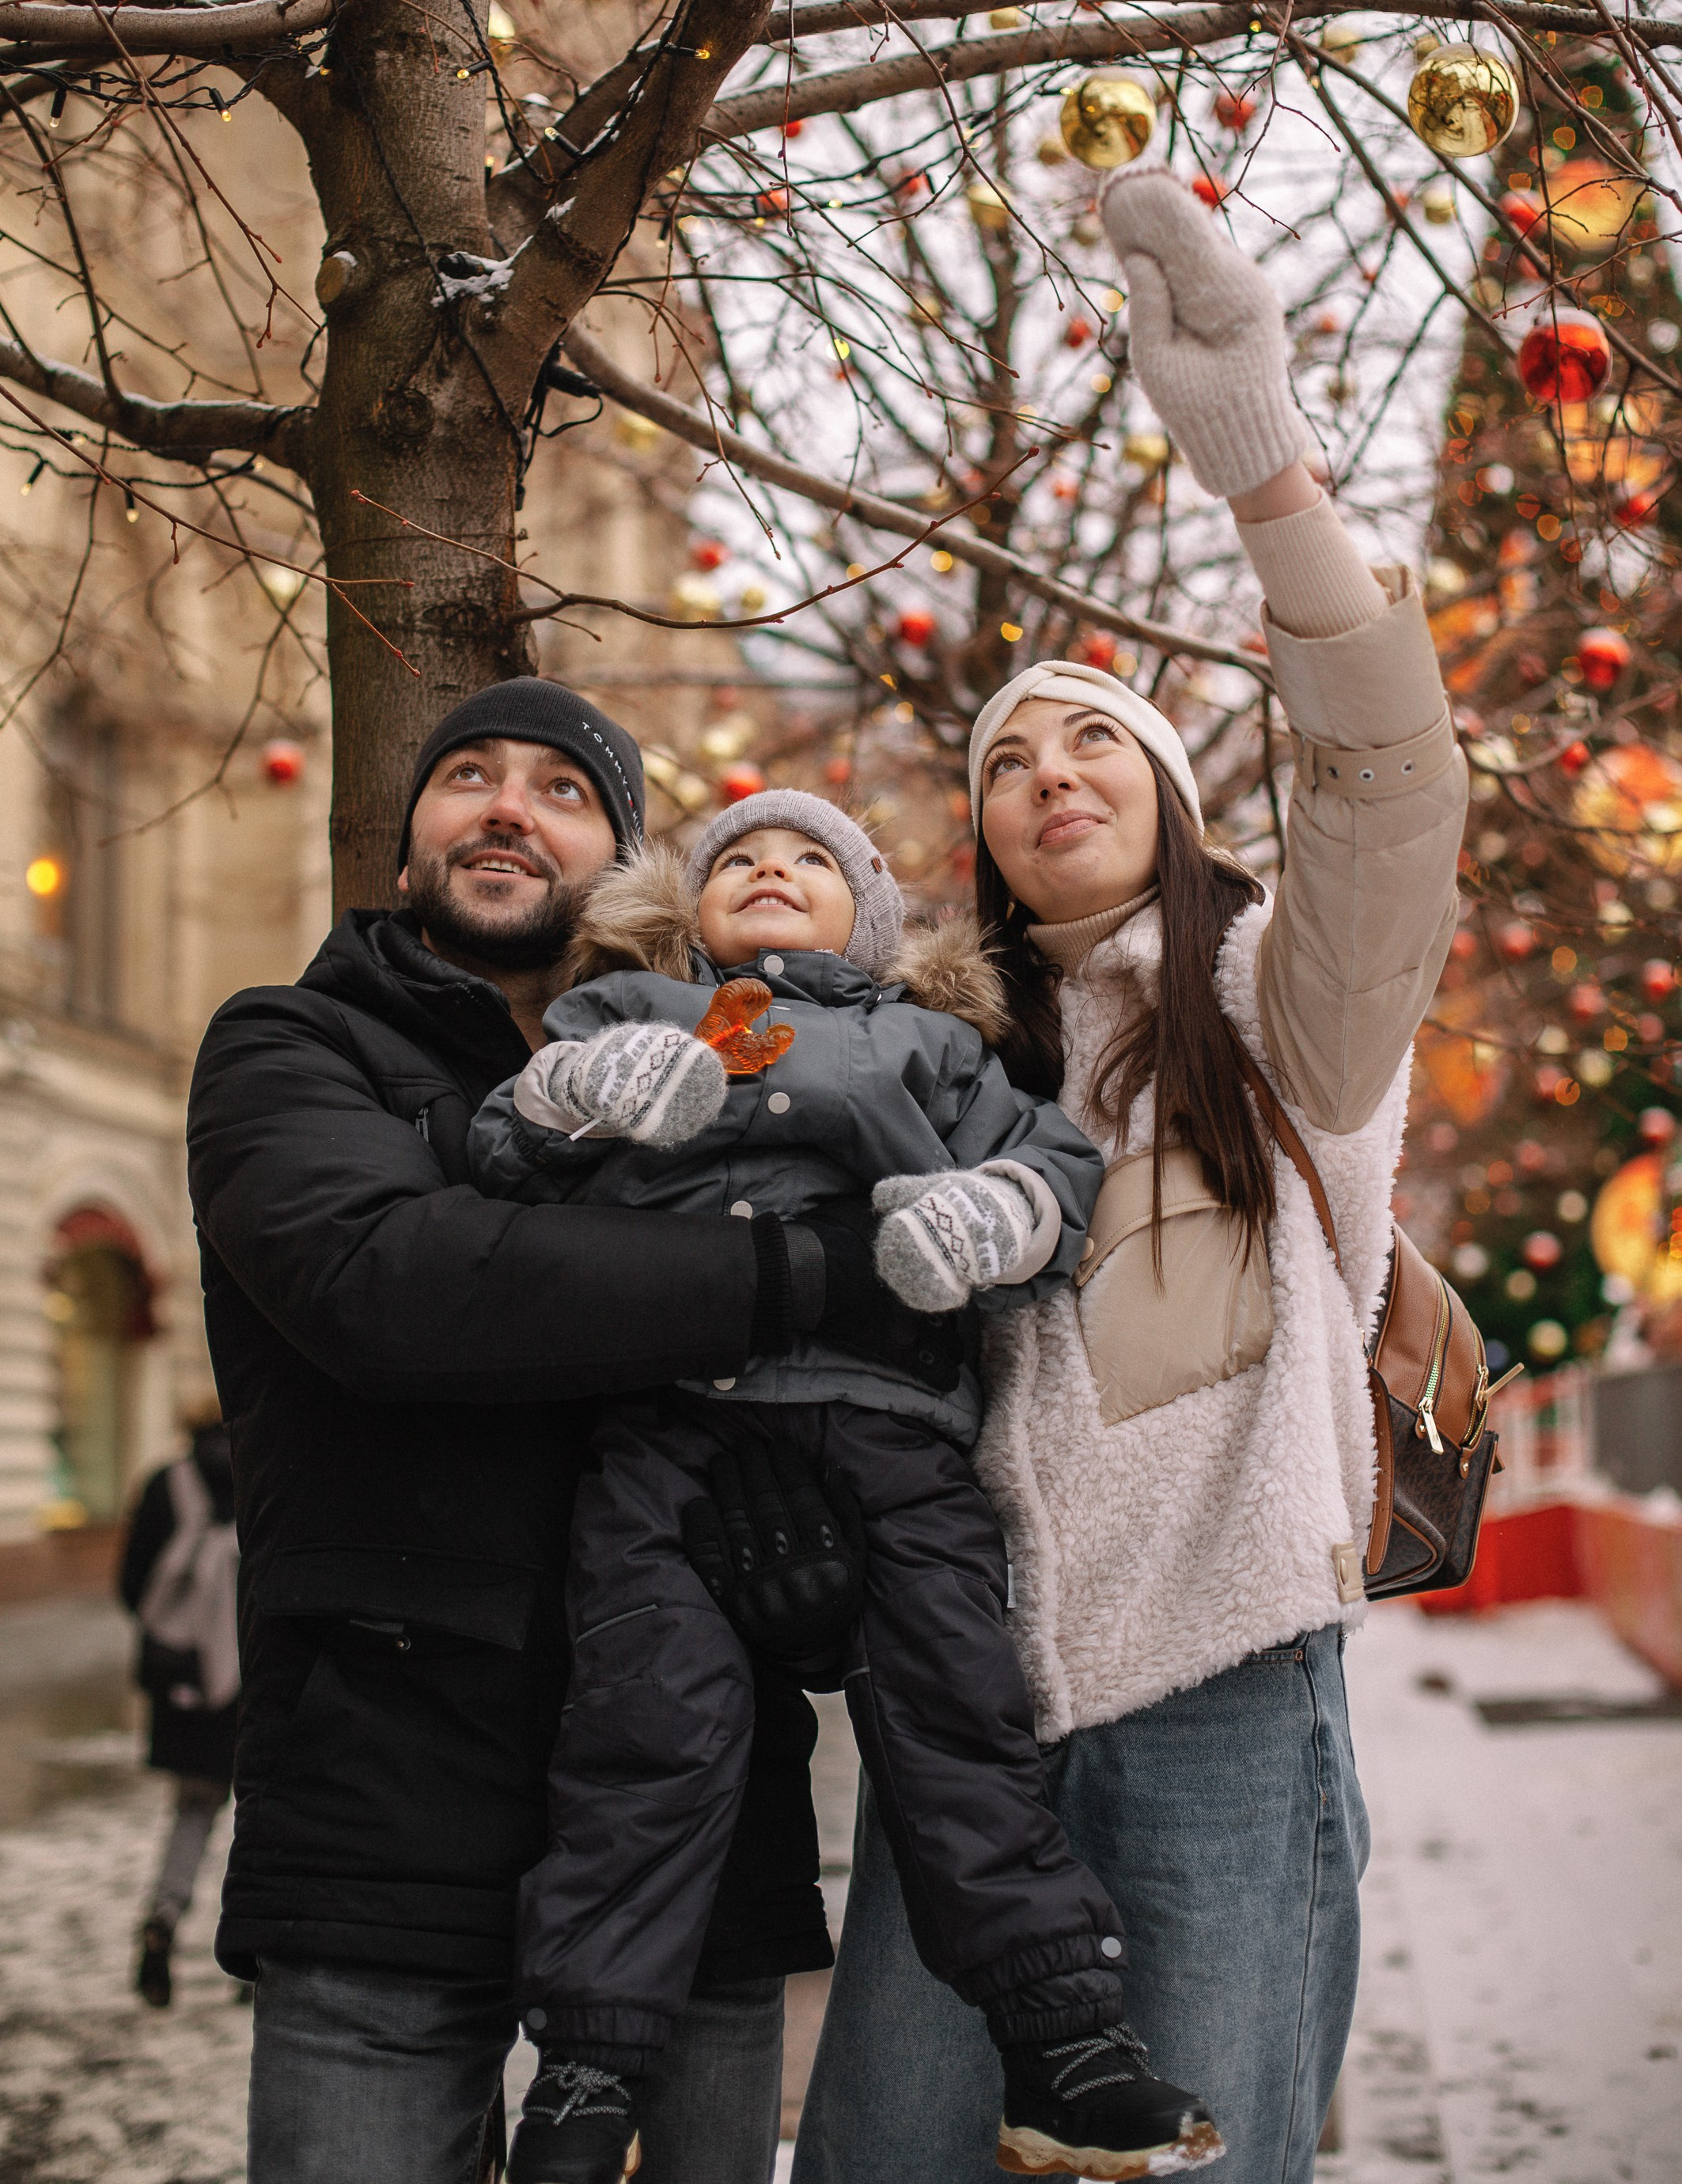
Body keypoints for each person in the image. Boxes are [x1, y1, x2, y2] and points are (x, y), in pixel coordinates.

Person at [794, 171, 1468, 2184]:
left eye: (1093, 746)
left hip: (1220, 1685)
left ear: (1167, 804)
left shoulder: (1278, 1006)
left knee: (1202, 2159)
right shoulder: (926, 1056)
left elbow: (1386, 786)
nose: (1047, 778)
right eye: (1009, 761)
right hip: (963, 1711)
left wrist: (1258, 466)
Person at [186, 680, 919, 2184]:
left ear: (624, 868)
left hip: (696, 1809)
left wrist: (824, 1588)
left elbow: (882, 1393)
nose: (509, 804)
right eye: (467, 775)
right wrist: (799, 1274)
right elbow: (392, 1286)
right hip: (385, 1796)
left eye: (561, 787)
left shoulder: (759, 1071)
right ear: (407, 853)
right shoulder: (290, 1048)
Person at [468, 791, 1225, 2184]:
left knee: (960, 1716)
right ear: (685, 905)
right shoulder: (627, 1007)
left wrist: (993, 1211)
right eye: (737, 856)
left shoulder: (928, 1040)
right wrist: (572, 1096)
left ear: (870, 919)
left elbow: (1055, 1167)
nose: (768, 867)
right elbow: (502, 1146)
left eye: (808, 857)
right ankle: (585, 2070)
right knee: (643, 1734)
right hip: (669, 1432)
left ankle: (1063, 2040)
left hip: (892, 1424)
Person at [119, 1394, 240, 2009]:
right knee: (262, 1814)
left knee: (193, 1807)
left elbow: (130, 1582)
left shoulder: (167, 1483)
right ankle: (251, 1957)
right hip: (253, 1677)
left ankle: (162, 1919)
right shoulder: (264, 1471)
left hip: (183, 1674)